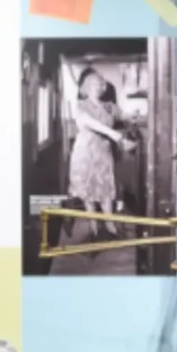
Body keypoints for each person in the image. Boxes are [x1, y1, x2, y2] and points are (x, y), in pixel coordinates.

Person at [68, 67, 135, 237]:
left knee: (106, 189)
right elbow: (90, 123)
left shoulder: (109, 106)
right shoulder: (81, 107)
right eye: (95, 84)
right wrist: (115, 135)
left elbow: (124, 115)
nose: (99, 87)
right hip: (86, 153)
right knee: (89, 191)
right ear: (87, 87)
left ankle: (110, 224)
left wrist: (136, 115)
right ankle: (93, 225)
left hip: (103, 153)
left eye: (101, 84)